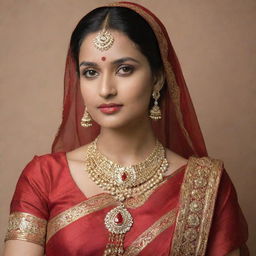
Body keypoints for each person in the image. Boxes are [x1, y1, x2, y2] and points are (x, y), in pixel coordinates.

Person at [3, 2, 248, 256]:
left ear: (157, 78)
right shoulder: (43, 178)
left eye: (124, 69)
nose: (106, 89)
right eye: (90, 72)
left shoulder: (206, 186)